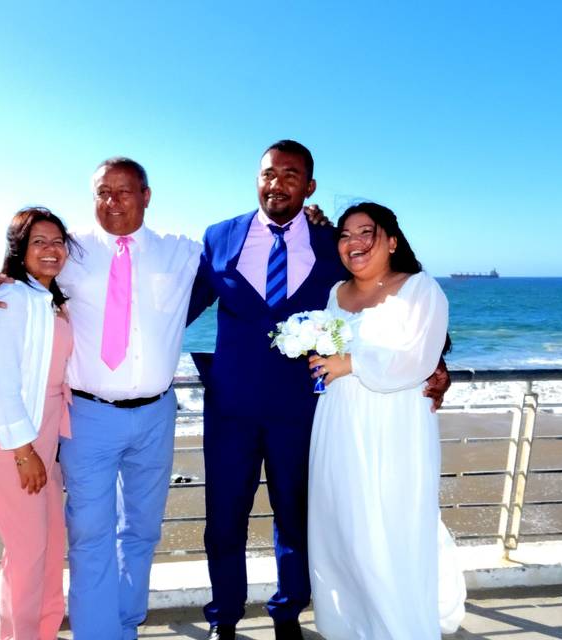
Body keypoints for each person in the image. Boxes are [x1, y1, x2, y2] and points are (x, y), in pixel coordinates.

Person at [185, 142, 452, 640]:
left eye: (292, 175)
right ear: (257, 179)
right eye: (269, 173)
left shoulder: (332, 244)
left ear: (308, 186)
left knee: (298, 522)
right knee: (223, 523)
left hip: (305, 409)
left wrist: (438, 362)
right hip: (231, 409)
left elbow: (388, 302)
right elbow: (178, 308)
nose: (277, 183)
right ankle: (224, 618)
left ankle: (288, 613)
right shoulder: (219, 236)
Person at [0, 158, 202, 640]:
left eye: (124, 191)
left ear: (146, 194)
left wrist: (315, 225)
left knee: (141, 532)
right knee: (90, 537)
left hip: (157, 414)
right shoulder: (71, 250)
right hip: (89, 416)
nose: (113, 201)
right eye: (103, 192)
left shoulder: (180, 251)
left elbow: (246, 249)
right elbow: (25, 275)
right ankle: (99, 634)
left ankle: (125, 624)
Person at [305, 202, 466, 639]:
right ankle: (349, 628)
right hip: (339, 423)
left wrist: (350, 362)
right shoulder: (335, 294)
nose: (353, 243)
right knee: (342, 530)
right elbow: (327, 351)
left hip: (395, 428)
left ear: (392, 241)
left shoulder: (420, 289)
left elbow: (417, 358)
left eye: (365, 232)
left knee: (390, 531)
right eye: (344, 235)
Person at [0, 206, 78, 640]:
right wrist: (22, 452)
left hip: (47, 438)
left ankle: (44, 633)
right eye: (39, 242)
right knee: (28, 553)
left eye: (57, 241)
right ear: (19, 250)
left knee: (50, 549)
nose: (51, 250)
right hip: (13, 441)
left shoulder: (48, 298)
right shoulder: (9, 298)